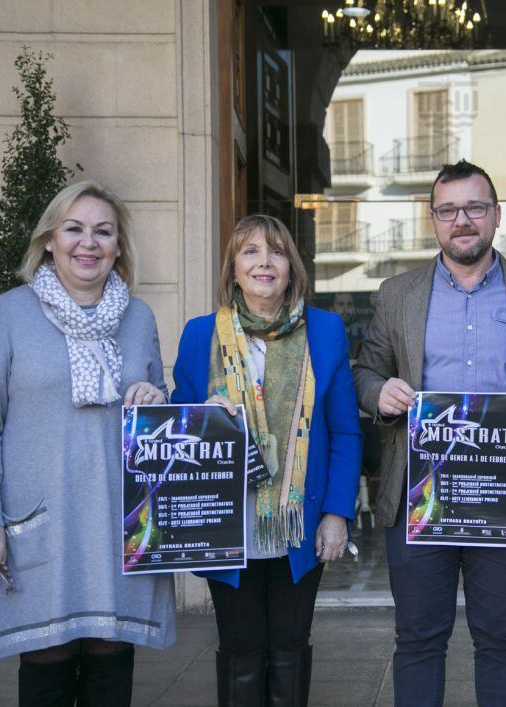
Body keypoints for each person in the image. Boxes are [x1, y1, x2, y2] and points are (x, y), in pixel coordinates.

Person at [354, 159, 506, 706]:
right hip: (419, 492)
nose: (462, 220)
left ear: (496, 215)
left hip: (501, 494)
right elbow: (366, 371)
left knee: (501, 640)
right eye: (449, 210)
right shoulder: (396, 294)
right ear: (433, 219)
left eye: (474, 207)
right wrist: (378, 395)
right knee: (418, 640)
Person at [0, 181, 175, 705]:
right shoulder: (10, 313)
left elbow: (160, 421)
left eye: (103, 231)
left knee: (110, 662)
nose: (89, 242)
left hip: (115, 523)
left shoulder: (138, 317)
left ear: (118, 245)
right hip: (40, 523)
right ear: (50, 241)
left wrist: (154, 400)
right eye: (74, 229)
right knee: (47, 664)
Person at [171, 213, 361, 706]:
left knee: (289, 643)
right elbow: (176, 429)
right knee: (240, 644)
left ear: (291, 266)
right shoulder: (199, 336)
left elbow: (343, 430)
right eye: (250, 251)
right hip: (225, 521)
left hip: (301, 520)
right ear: (233, 268)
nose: (264, 261)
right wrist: (193, 415)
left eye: (276, 251)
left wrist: (337, 514)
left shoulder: (324, 331)